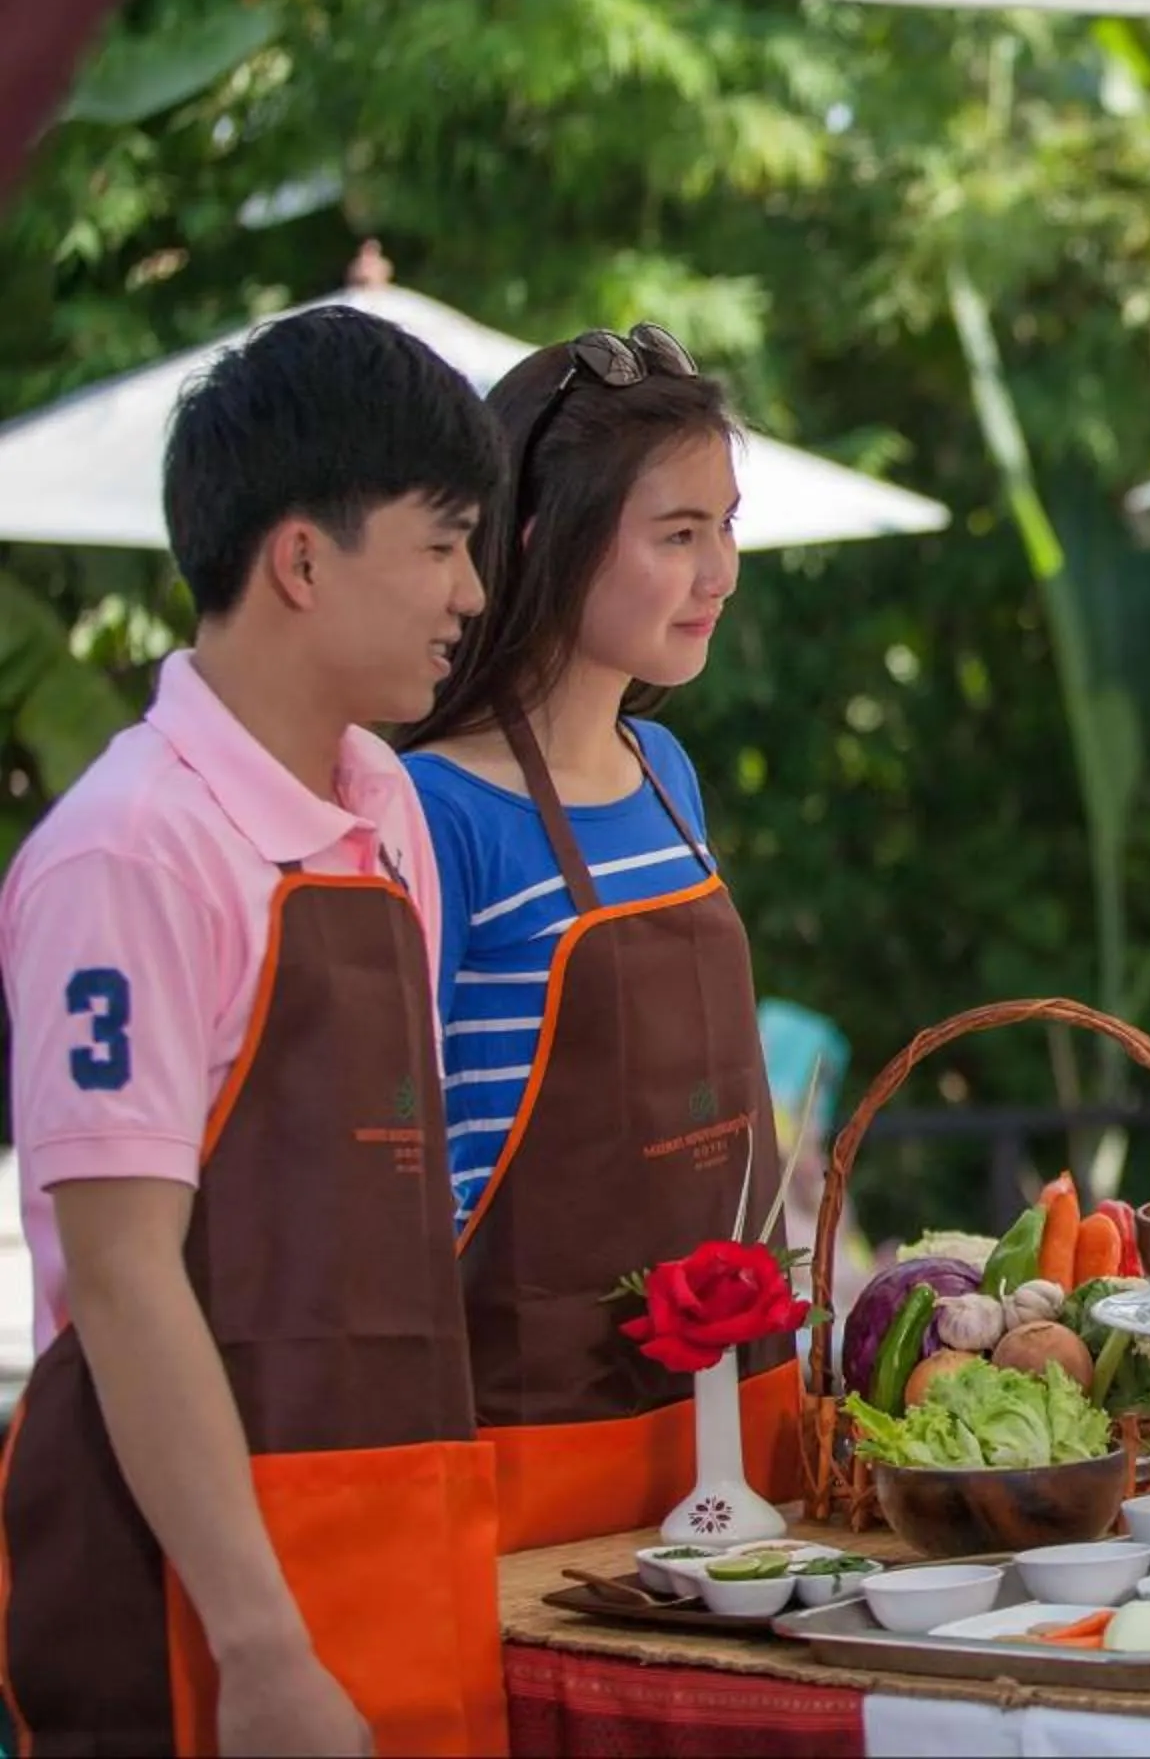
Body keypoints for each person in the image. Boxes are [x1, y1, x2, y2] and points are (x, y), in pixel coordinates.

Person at [0, 306, 507, 1755]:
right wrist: (261, 1645)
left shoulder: (386, 807)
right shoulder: (128, 852)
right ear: (300, 559)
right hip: (200, 1612)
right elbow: (121, 1278)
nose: (472, 593)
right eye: (443, 543)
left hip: (396, 1547)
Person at [398, 323, 800, 1552]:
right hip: (530, 1456)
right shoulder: (431, 809)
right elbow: (399, 1166)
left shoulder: (666, 770)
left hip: (733, 1431)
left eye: (727, 526)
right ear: (546, 540)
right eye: (678, 534)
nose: (720, 571)